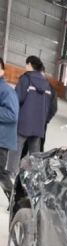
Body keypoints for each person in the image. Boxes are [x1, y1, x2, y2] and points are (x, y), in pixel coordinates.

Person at [7, 55, 57, 177]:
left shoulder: (26, 79)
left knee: (16, 149)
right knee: (35, 154)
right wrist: (44, 120)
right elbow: (52, 107)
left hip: (24, 123)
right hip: (39, 125)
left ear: (29, 64)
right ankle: (35, 176)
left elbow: (16, 99)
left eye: (26, 64)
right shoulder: (47, 84)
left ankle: (12, 174)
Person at [0, 57, 19, 195]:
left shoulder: (7, 91)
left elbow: (12, 115)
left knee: (0, 173)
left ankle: (18, 201)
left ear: (2, 71)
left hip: (1, 140)